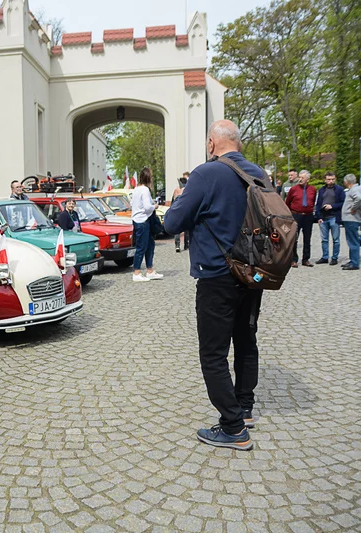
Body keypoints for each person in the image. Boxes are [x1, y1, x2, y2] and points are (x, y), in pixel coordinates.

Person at [164, 119, 263, 451]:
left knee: (213, 353)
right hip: (251, 274)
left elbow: (172, 223)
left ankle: (234, 427)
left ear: (211, 143)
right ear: (238, 142)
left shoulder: (206, 174)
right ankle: (245, 409)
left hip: (217, 275)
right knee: (246, 341)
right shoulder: (259, 173)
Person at [131, 167, 163, 282]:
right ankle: (137, 272)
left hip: (138, 219)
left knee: (150, 245)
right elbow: (147, 207)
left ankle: (150, 270)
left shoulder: (136, 189)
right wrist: (155, 206)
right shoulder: (145, 190)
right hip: (143, 220)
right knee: (142, 247)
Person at [285, 170, 317, 268]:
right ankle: (293, 259)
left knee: (307, 238)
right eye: (300, 177)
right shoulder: (293, 189)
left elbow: (313, 200)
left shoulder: (312, 189)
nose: (300, 179)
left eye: (303, 178)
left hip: (308, 216)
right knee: (294, 238)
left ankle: (306, 259)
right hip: (296, 215)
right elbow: (288, 202)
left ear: (308, 179)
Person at [315, 171, 345, 265]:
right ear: (325, 180)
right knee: (324, 239)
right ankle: (325, 257)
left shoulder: (339, 190)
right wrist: (318, 217)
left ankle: (334, 257)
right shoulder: (321, 190)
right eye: (328, 179)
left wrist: (332, 206)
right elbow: (318, 204)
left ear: (335, 179)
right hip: (323, 218)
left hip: (334, 217)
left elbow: (343, 202)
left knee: (336, 239)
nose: (331, 181)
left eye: (332, 179)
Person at [342, 174, 361, 270]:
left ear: (346, 181)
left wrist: (353, 208)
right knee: (350, 241)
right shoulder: (354, 189)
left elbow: (359, 198)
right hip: (349, 219)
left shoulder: (354, 189)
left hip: (352, 219)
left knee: (353, 241)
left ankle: (355, 263)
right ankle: (352, 260)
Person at [172, 172, 190, 252]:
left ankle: (177, 245)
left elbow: (173, 200)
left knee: (177, 230)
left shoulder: (176, 189)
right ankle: (186, 245)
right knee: (186, 229)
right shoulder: (187, 189)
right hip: (185, 210)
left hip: (176, 210)